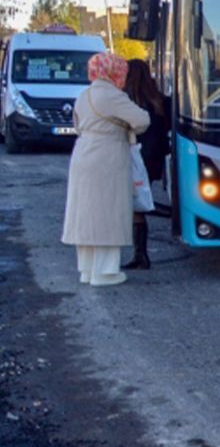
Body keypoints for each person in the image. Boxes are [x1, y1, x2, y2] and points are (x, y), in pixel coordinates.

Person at [61, 53, 150, 287]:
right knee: (108, 212)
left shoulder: (84, 95)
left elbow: (77, 125)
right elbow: (142, 120)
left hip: (83, 153)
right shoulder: (113, 96)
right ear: (114, 72)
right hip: (108, 155)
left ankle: (87, 270)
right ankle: (105, 272)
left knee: (86, 213)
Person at [122, 59, 170, 269]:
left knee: (132, 205)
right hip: (152, 159)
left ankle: (139, 254)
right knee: (139, 202)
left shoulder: (127, 100)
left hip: (132, 157)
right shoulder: (160, 100)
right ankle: (140, 254)